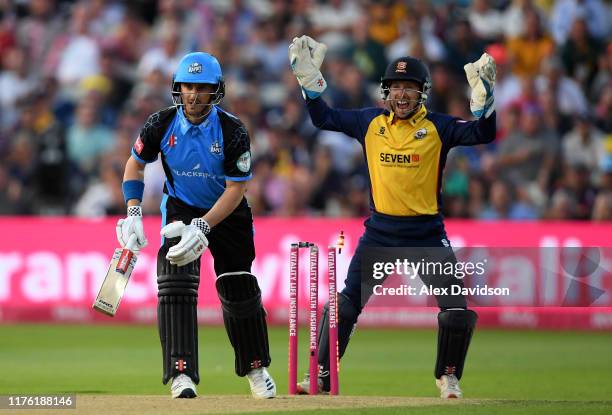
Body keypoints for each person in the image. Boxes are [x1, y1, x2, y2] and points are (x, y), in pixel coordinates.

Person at [288, 35, 497, 398]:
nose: (402, 95)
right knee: (345, 303)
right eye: (395, 87)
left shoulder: (438, 127)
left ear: (422, 93)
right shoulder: (369, 122)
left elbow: (483, 133)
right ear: (386, 91)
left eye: (410, 88)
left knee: (456, 310)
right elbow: (323, 119)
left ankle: (448, 376)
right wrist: (309, 84)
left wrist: (486, 102)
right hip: (380, 233)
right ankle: (321, 376)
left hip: (426, 234)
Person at [115, 52, 276, 399]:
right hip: (181, 207)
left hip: (227, 213)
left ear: (216, 90)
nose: (193, 94)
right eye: (188, 86)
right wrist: (132, 211)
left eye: (202, 88)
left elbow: (237, 190)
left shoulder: (233, 131)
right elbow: (134, 164)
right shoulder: (160, 122)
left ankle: (255, 368)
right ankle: (180, 374)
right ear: (178, 87)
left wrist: (203, 227)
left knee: (238, 287)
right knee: (174, 284)